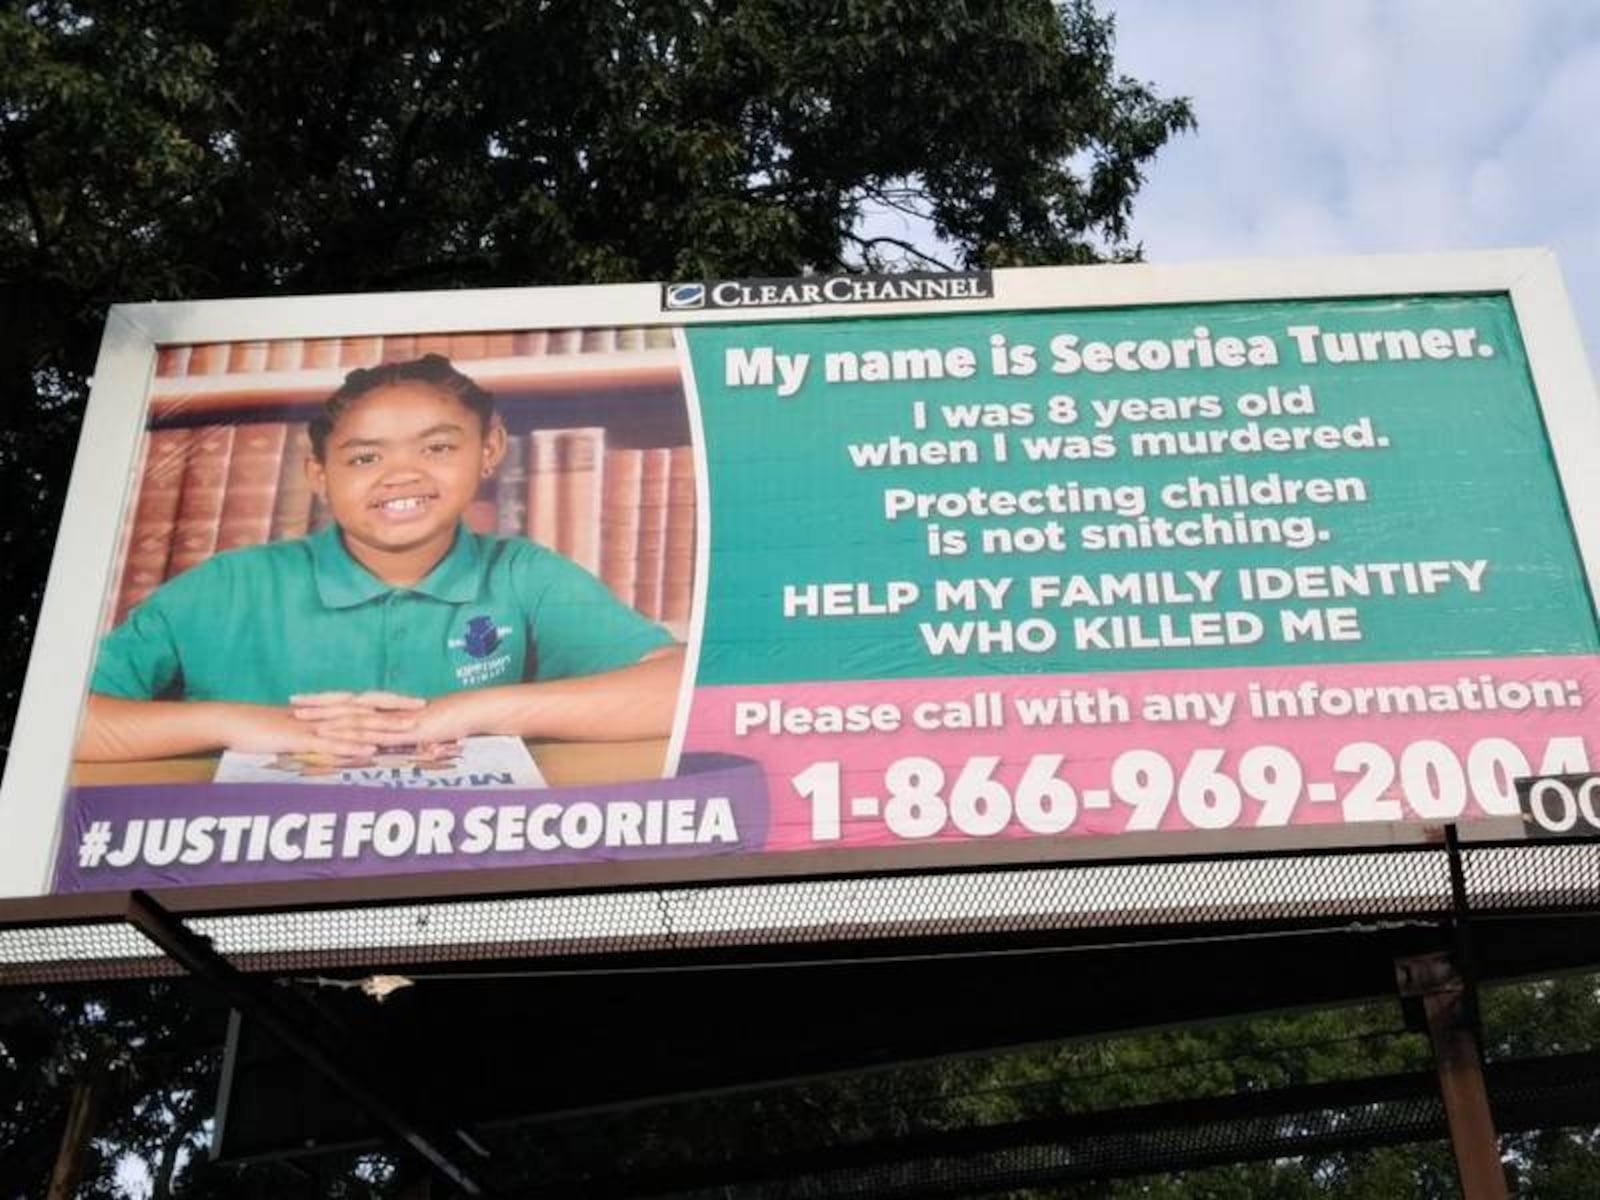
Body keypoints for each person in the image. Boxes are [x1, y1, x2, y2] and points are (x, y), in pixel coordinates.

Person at [77, 354, 684, 762]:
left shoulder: (523, 574)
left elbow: (680, 689)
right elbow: (68, 722)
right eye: (365, 458)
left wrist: (468, 712)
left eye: (438, 447)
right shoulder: (229, 585)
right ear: (318, 474)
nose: (402, 475)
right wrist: (245, 725)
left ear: (489, 450)